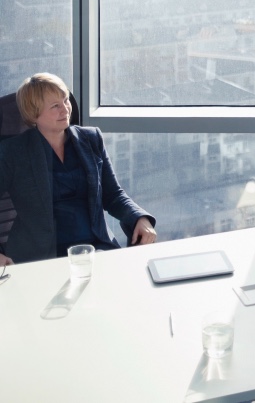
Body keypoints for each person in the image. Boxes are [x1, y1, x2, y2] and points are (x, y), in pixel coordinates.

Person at [0, 73, 156, 266]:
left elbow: (113, 194)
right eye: (55, 106)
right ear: (34, 114)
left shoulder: (91, 138)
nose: (65, 109)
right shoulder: (13, 152)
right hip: (41, 256)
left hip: (95, 248)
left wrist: (140, 218)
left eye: (65, 100)